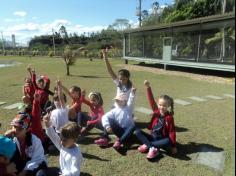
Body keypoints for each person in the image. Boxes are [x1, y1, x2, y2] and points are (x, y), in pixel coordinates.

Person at [134, 80, 177, 159]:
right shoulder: (156, 112)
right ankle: (153, 148)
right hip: (153, 137)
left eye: (164, 105)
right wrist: (148, 87)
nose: (162, 107)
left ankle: (148, 145)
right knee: (137, 131)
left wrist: (173, 146)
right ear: (158, 104)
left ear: (168, 106)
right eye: (160, 105)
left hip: (162, 139)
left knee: (168, 140)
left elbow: (172, 132)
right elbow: (151, 100)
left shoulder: (169, 118)